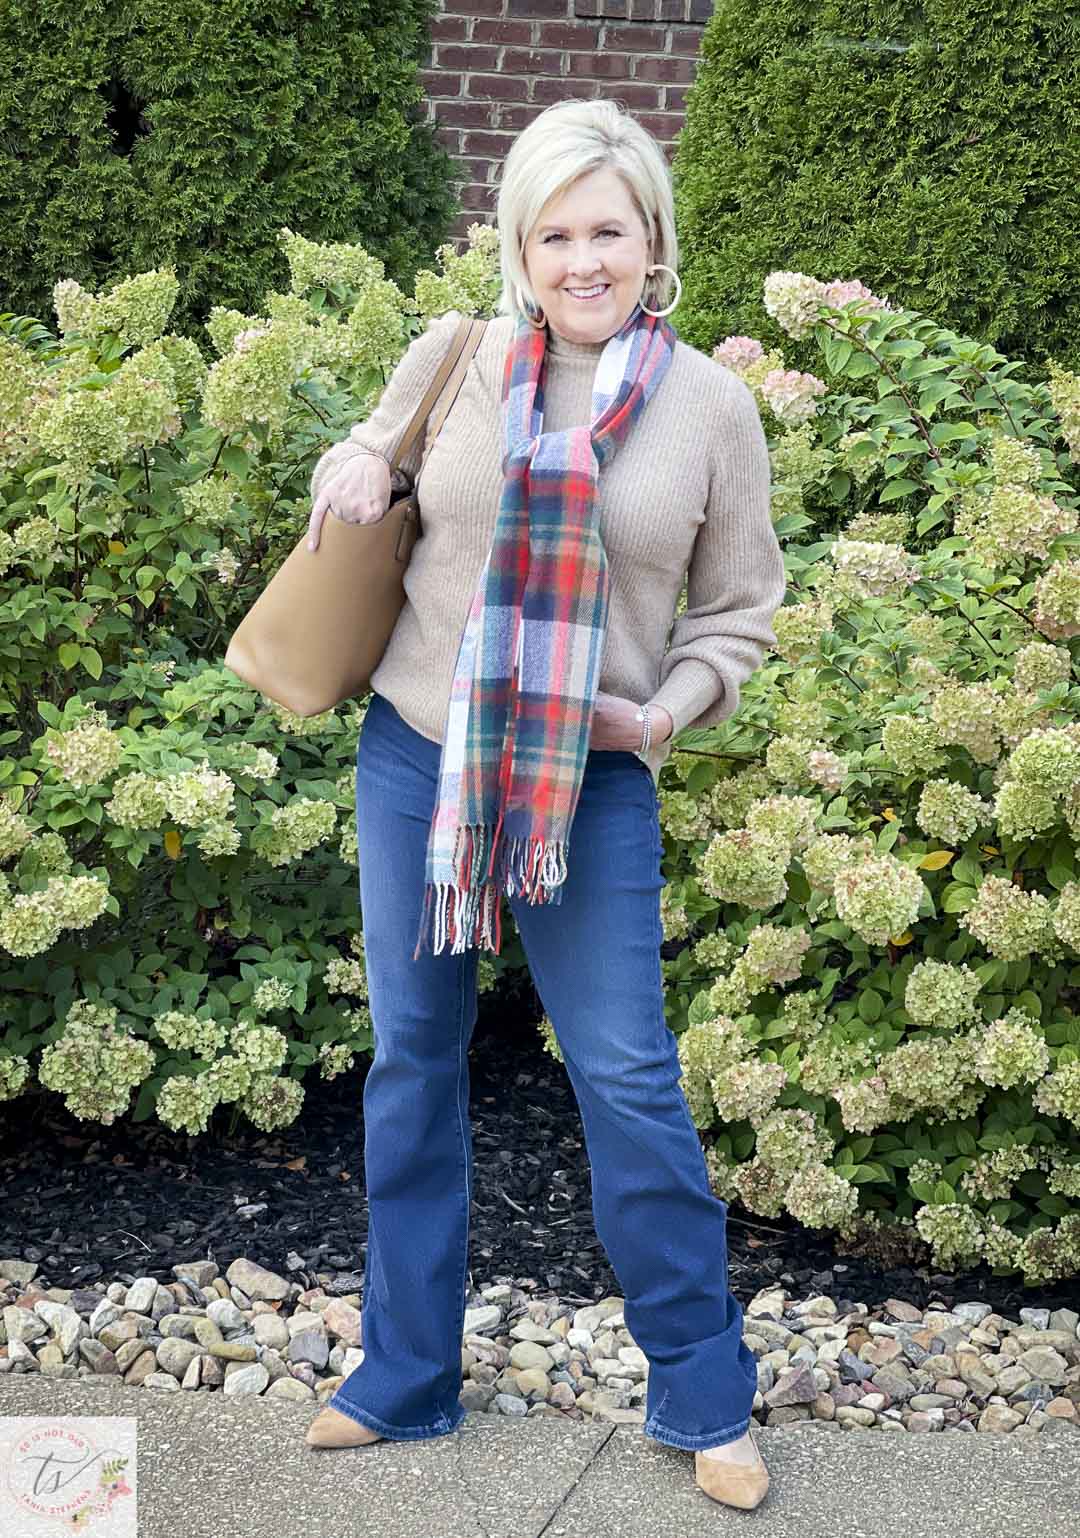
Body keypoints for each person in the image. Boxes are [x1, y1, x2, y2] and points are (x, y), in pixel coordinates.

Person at [301, 97, 786, 1512]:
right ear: (519, 245)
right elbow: (378, 456)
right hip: (419, 759)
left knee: (627, 1073)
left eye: (608, 230)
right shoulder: (459, 358)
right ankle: (404, 1373)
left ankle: (702, 1388)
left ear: (652, 240)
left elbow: (741, 609)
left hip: (594, 778)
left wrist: (667, 709)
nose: (584, 258)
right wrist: (356, 458)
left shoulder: (708, 407)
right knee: (410, 1059)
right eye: (554, 231)